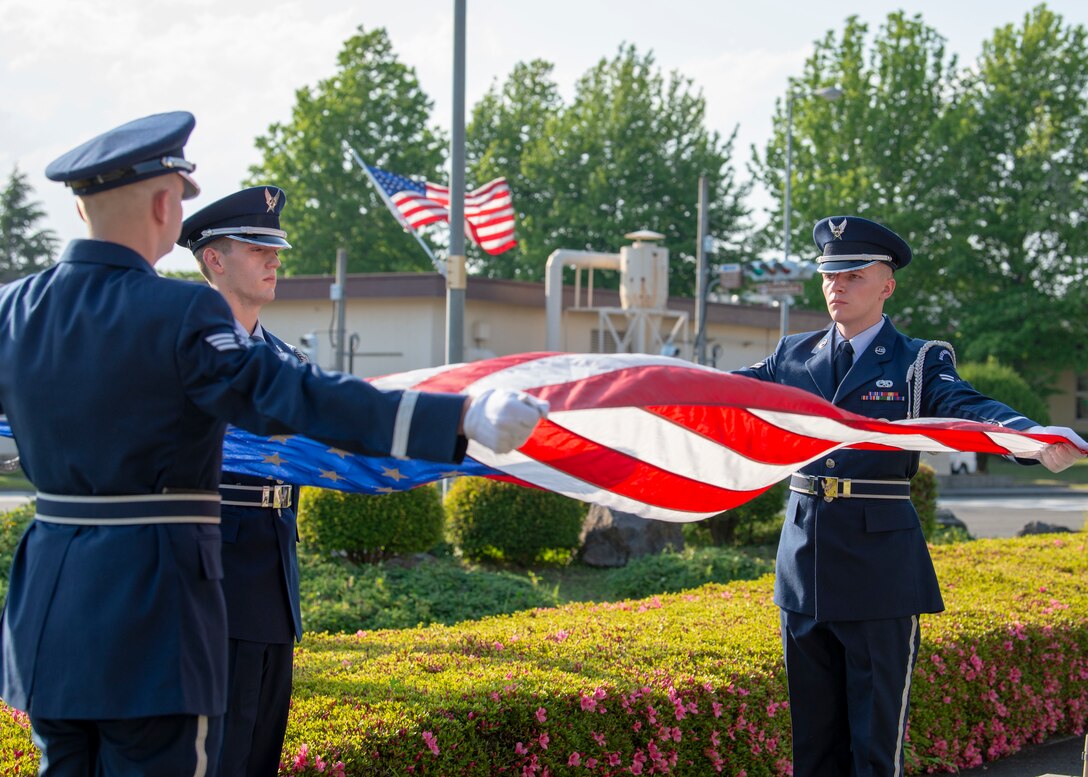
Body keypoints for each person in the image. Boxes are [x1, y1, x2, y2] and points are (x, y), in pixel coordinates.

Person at [0, 112, 547, 777]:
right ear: (165, 205)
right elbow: (294, 396)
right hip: (153, 618)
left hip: (47, 616)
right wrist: (459, 417)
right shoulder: (181, 313)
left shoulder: (14, 308)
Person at [732, 215, 1085, 777]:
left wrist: (1032, 441)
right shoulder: (792, 356)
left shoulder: (916, 361)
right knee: (813, 749)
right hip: (804, 563)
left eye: (852, 274)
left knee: (875, 746)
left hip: (878, 572)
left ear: (886, 285)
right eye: (829, 274)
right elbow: (725, 396)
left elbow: (968, 408)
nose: (836, 286)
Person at [180, 185, 310, 775]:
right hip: (209, 579)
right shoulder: (181, 352)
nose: (273, 259)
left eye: (274, 247)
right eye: (257, 247)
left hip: (273, 582)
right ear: (214, 259)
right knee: (213, 759)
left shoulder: (291, 364)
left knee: (259, 755)